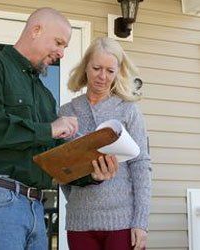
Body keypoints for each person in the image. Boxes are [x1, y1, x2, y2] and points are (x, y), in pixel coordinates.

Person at [0, 8, 118, 250]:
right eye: (59, 42)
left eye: (64, 46)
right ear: (36, 30)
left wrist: (92, 173)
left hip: (35, 207)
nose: (62, 53)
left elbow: (51, 155)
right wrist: (49, 129)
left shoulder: (43, 95)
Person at [59, 37, 152, 250]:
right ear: (85, 68)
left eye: (110, 71)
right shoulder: (67, 112)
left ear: (118, 72)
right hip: (80, 222)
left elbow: (141, 166)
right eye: (96, 68)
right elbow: (63, 170)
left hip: (123, 222)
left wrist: (141, 222)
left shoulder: (128, 110)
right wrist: (74, 200)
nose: (103, 77)